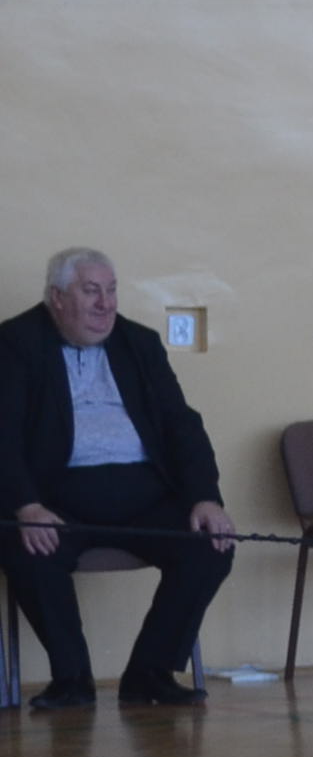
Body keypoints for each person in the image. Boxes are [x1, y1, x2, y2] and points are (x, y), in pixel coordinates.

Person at [0, 247, 234, 710]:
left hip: (142, 493)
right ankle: (72, 679)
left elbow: (182, 425)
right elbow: (2, 433)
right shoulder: (15, 343)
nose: (105, 304)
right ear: (57, 297)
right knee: (28, 549)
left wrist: (205, 497)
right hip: (55, 498)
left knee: (210, 546)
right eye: (91, 291)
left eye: (111, 291)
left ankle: (150, 673)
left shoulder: (139, 343)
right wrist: (26, 505)